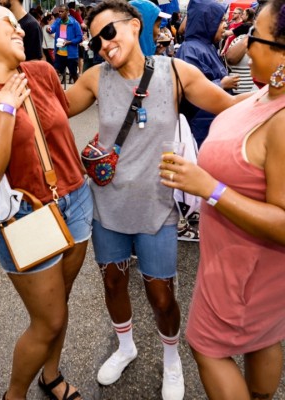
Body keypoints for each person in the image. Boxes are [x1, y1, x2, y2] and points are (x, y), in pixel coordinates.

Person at [65, 0, 249, 398]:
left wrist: (274, 95)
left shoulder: (176, 72)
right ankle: (126, 346)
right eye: (96, 40)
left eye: (109, 32)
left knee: (161, 293)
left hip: (158, 208)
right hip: (108, 204)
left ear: (134, 26)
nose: (103, 44)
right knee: (113, 282)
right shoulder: (95, 78)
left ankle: (171, 358)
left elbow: (232, 109)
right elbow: (54, 112)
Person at [0, 3, 92, 400]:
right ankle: (14, 394)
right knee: (49, 319)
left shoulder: (42, 71)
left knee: (61, 302)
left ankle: (52, 375)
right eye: (7, 22)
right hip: (26, 215)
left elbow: (61, 119)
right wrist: (6, 106)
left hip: (76, 198)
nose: (19, 27)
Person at [159, 1, 285, 399]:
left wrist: (208, 186)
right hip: (241, 260)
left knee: (207, 347)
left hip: (244, 268)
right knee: (263, 334)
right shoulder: (267, 93)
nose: (245, 46)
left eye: (255, 37)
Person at [175, 0, 240, 149]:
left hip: (212, 124)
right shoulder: (190, 50)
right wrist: (222, 84)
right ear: (207, 22)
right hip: (200, 128)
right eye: (220, 21)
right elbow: (187, 90)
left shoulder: (207, 46)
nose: (224, 25)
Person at [48, 4, 83, 84]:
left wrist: (69, 42)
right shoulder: (58, 22)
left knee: (74, 75)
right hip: (59, 54)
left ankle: (77, 90)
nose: (60, 13)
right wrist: (48, 29)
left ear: (67, 12)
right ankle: (56, 92)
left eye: (62, 12)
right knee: (55, 73)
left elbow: (80, 38)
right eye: (59, 12)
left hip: (71, 55)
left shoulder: (74, 23)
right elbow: (52, 29)